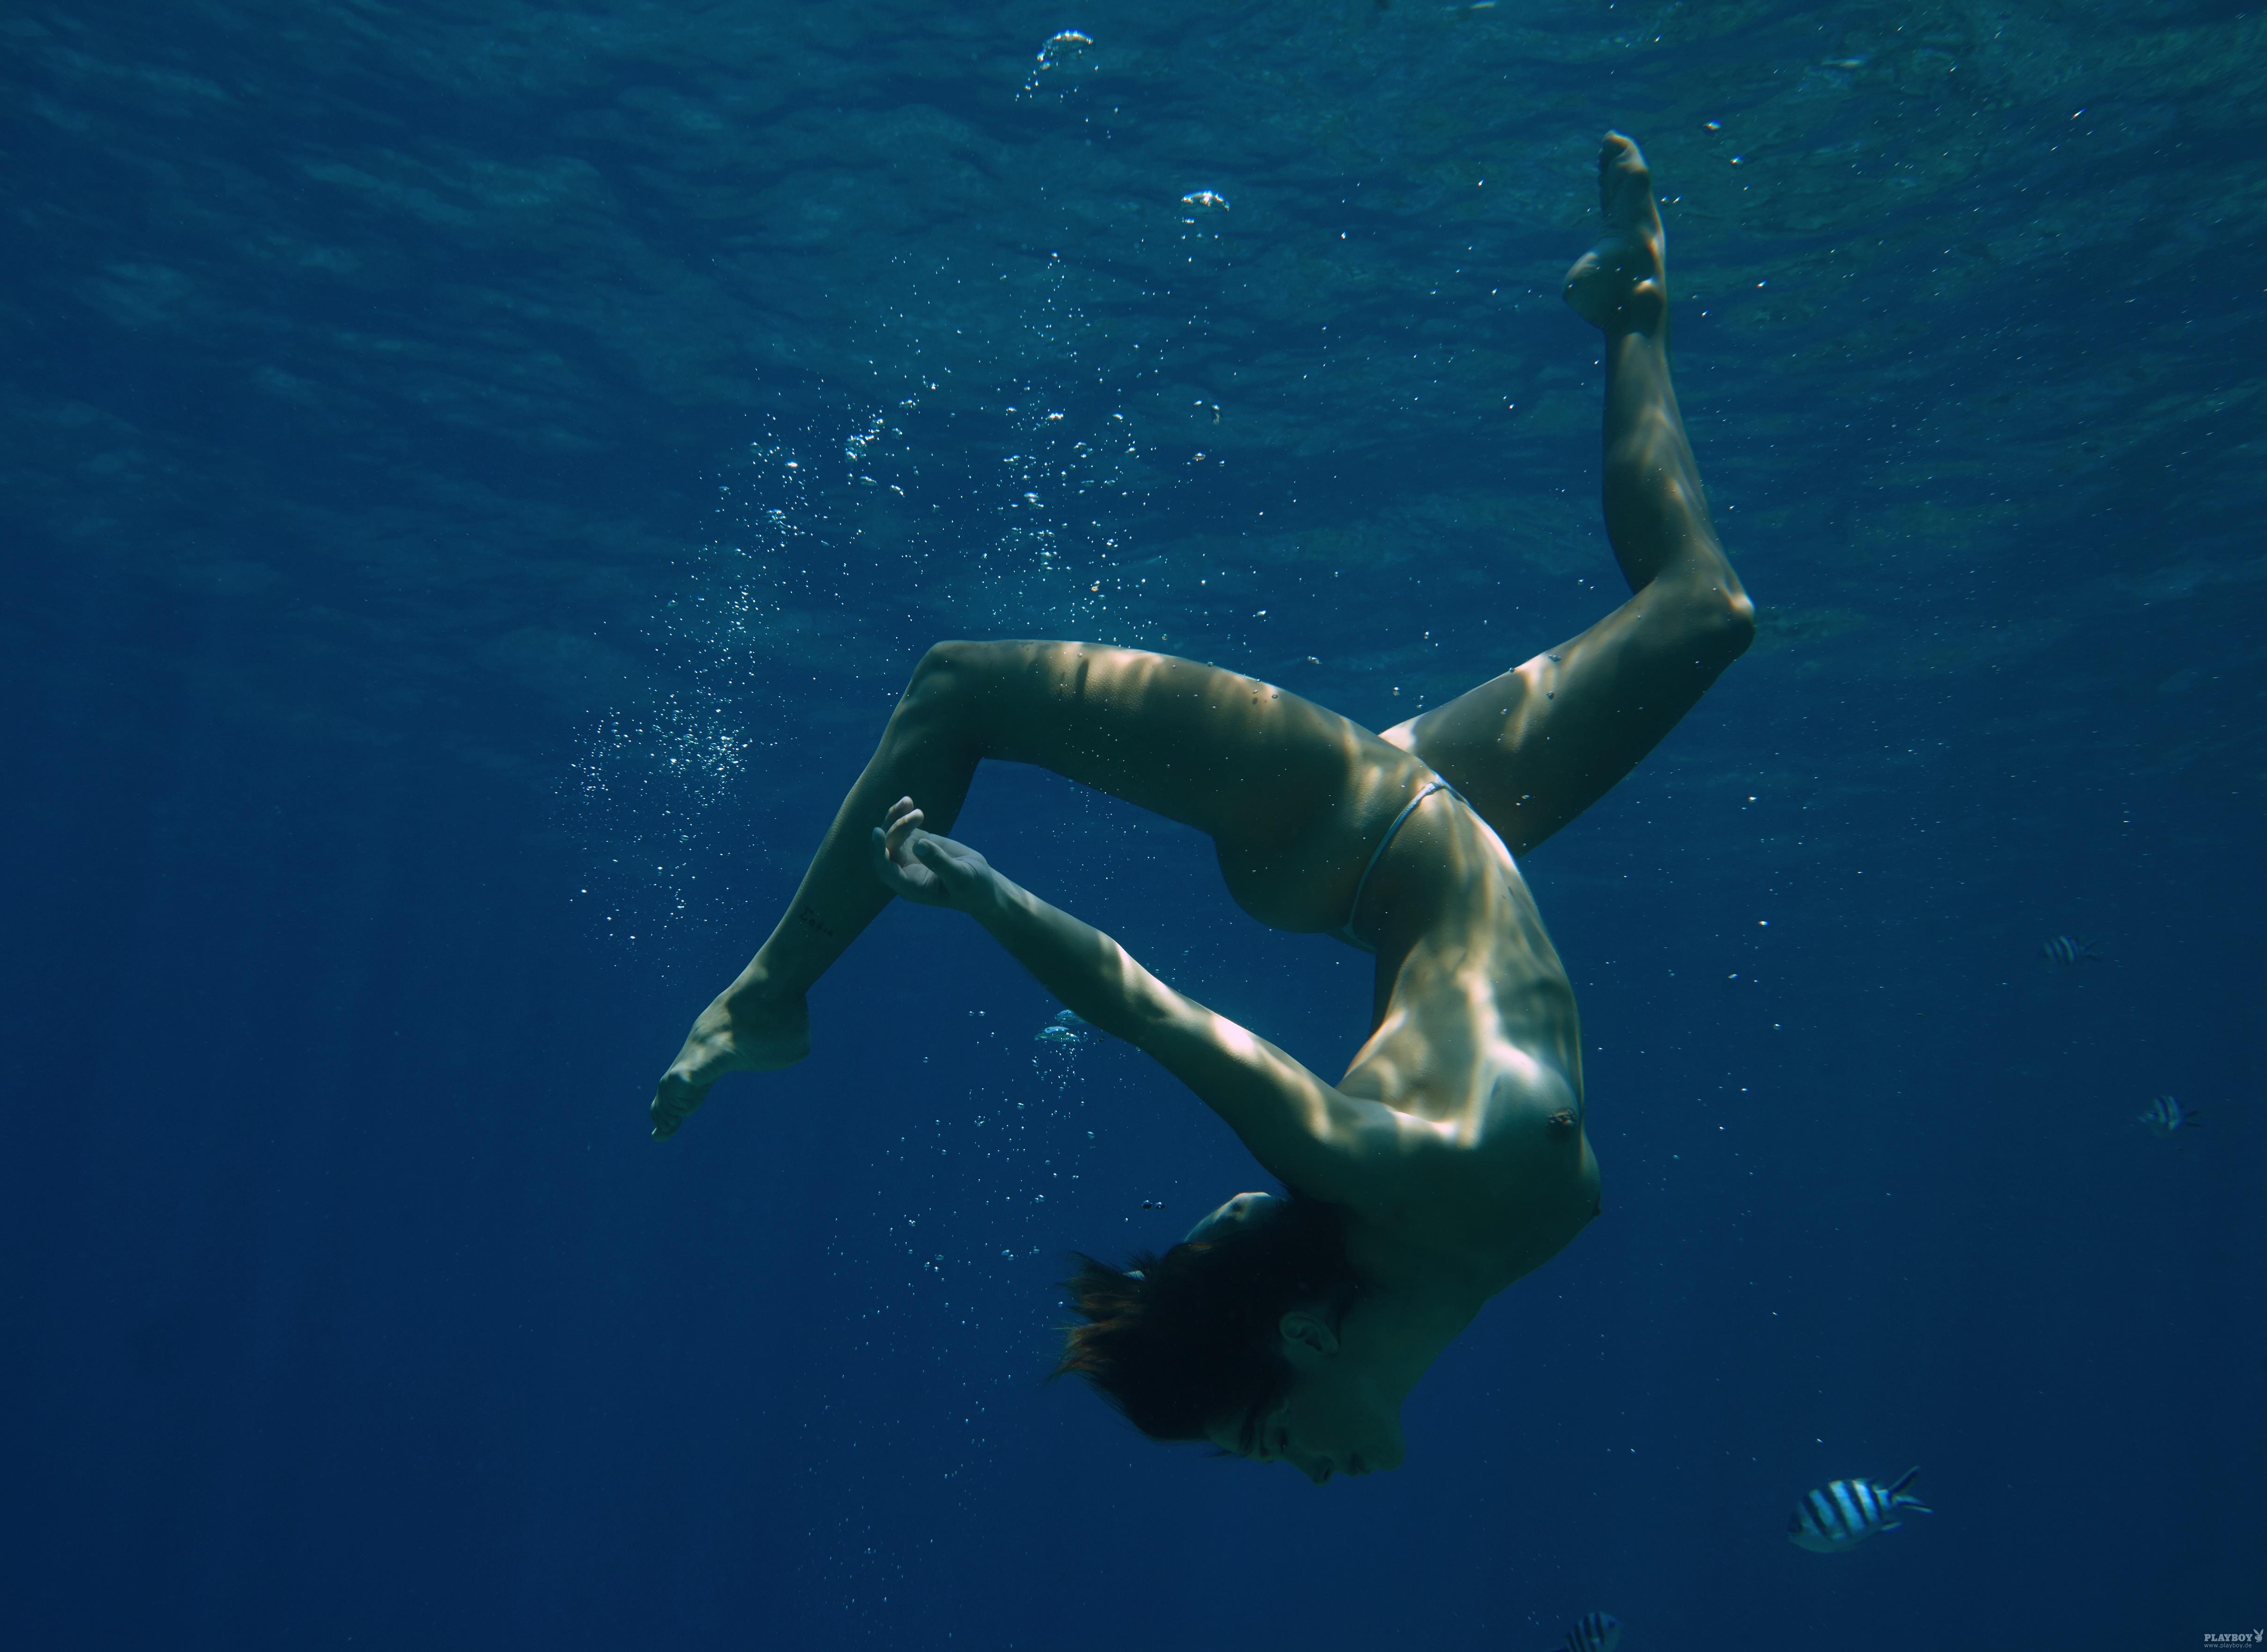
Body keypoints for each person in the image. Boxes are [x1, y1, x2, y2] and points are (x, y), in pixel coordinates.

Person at [650, 134, 1754, 1484]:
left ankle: (768, 996)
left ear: (1307, 1337)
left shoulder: (1392, 1181)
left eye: (1271, 1435)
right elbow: (1251, 1229)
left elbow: (1153, 1015)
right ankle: (1631, 304)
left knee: (960, 690)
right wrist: (1216, 1270)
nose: (1306, 1476)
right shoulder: (1452, 1257)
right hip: (1443, 832)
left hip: (1348, 824)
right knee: (1707, 611)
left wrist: (987, 894)